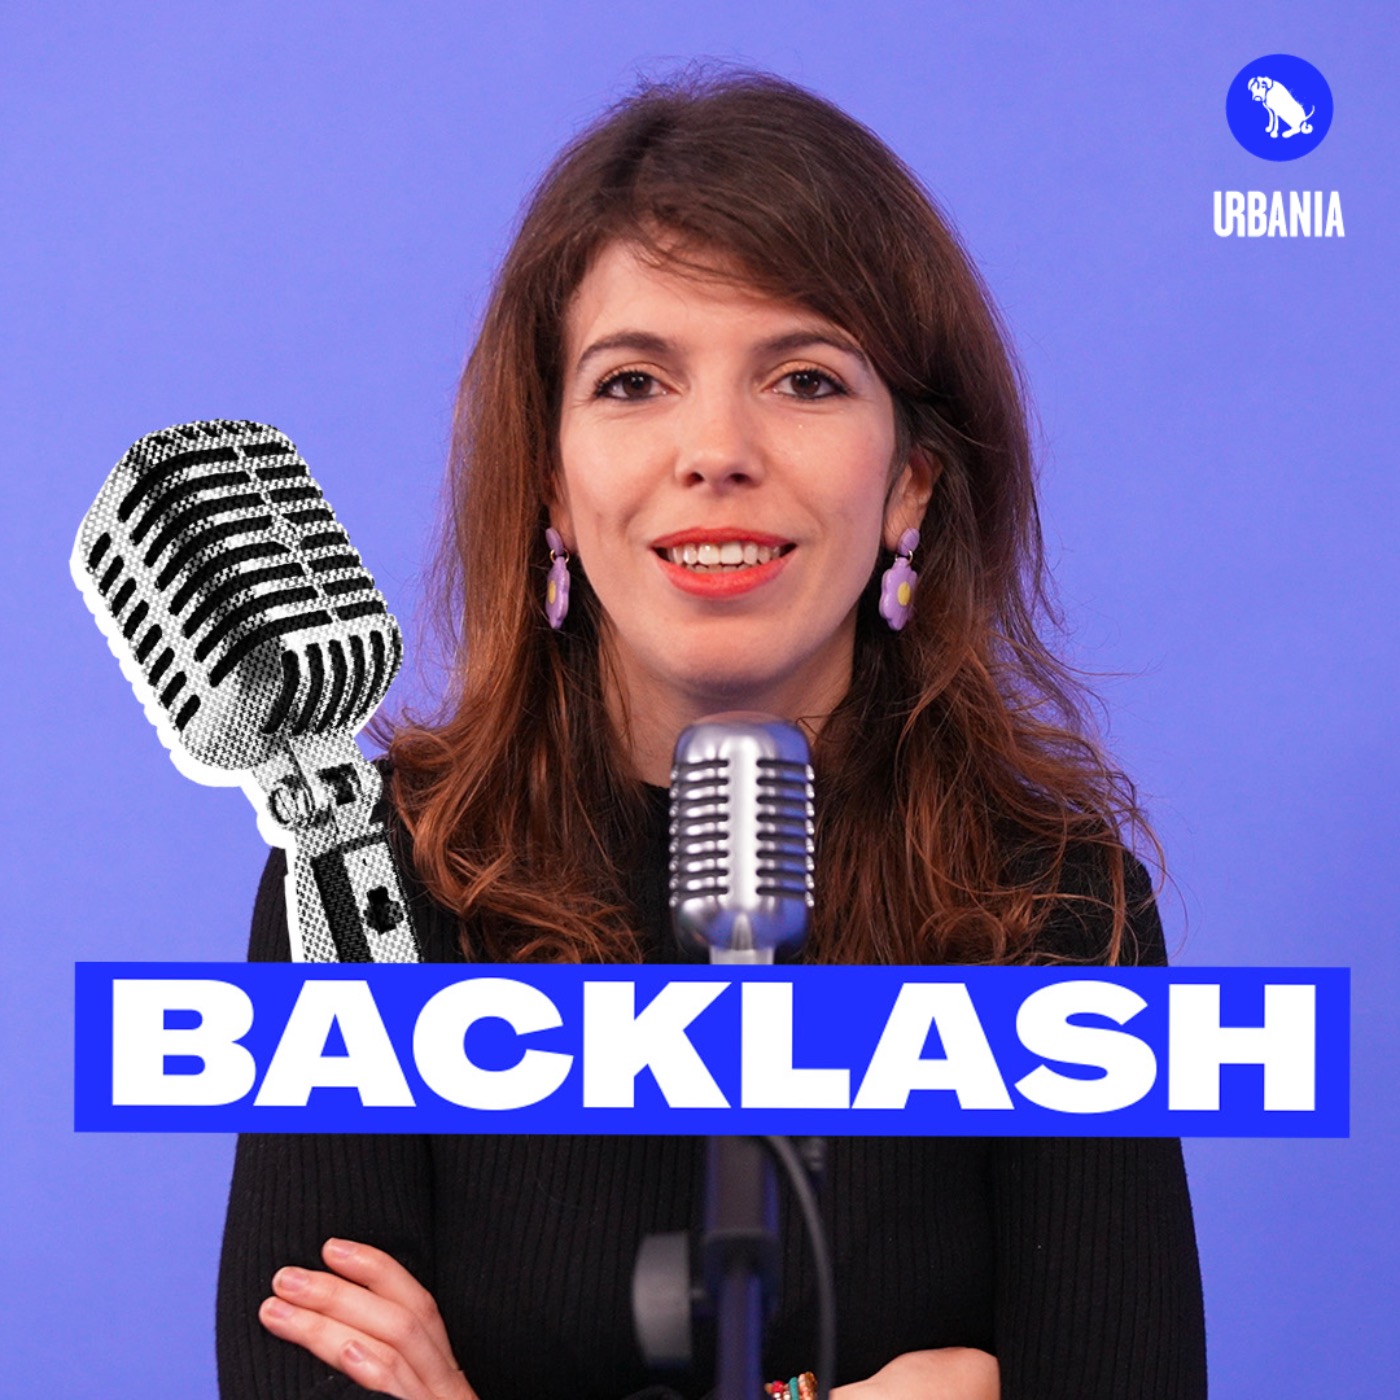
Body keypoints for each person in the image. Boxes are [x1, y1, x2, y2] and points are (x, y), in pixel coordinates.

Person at [217, 70, 1206, 1400]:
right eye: (634, 382)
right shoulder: (363, 889)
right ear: (551, 478)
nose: (716, 450)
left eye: (803, 379)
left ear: (911, 482)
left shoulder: (1059, 909)